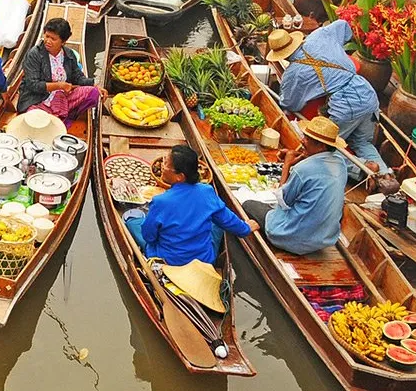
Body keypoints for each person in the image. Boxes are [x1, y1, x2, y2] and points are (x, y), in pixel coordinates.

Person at [266, 26, 382, 172]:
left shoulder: (293, 73)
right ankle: (386, 174)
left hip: (345, 104)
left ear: (281, 55)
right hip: (366, 91)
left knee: (323, 147)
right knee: (362, 142)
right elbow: (344, 26)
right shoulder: (319, 35)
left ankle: (362, 169)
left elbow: (290, 104)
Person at [125, 144, 255, 266]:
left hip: (168, 261)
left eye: (166, 165)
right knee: (217, 219)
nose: (162, 167)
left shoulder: (161, 201)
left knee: (131, 217)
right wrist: (246, 228)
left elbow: (149, 236)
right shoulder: (207, 191)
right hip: (203, 260)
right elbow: (229, 221)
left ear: (179, 177)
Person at [241, 116, 348, 255]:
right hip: (324, 238)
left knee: (248, 204)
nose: (302, 141)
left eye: (307, 139)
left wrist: (287, 165)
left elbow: (283, 200)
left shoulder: (304, 169)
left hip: (293, 237)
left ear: (321, 146)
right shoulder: (340, 163)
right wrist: (301, 156)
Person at [16, 16, 98, 121]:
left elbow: (78, 77)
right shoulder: (34, 54)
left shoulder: (69, 54)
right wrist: (59, 85)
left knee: (93, 92)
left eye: (53, 39)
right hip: (38, 100)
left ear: (63, 42)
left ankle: (66, 116)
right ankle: (59, 117)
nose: (48, 41)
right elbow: (33, 85)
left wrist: (94, 83)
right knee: (36, 118)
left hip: (62, 96)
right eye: (47, 36)